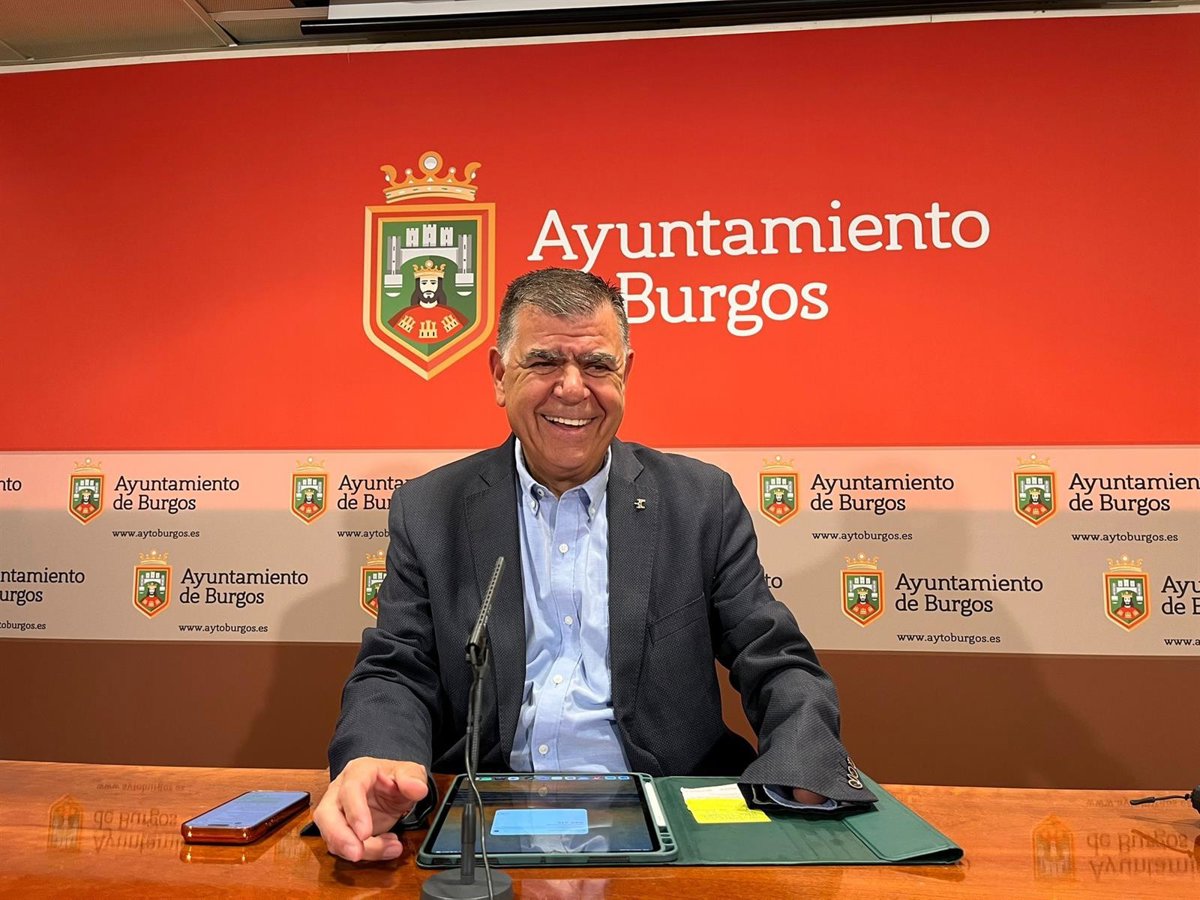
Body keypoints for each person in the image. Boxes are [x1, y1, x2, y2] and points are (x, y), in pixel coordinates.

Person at [315, 267, 875, 861]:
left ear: (625, 373)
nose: (572, 388)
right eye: (544, 362)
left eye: (597, 365)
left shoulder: (699, 502)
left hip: (670, 813)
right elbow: (397, 669)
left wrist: (800, 761)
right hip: (486, 814)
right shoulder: (431, 510)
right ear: (499, 375)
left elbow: (774, 657)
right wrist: (378, 759)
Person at [387, 258, 465, 344]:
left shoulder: (451, 314)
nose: (428, 287)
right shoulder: (406, 314)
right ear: (418, 286)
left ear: (439, 286)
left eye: (433, 283)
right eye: (424, 283)